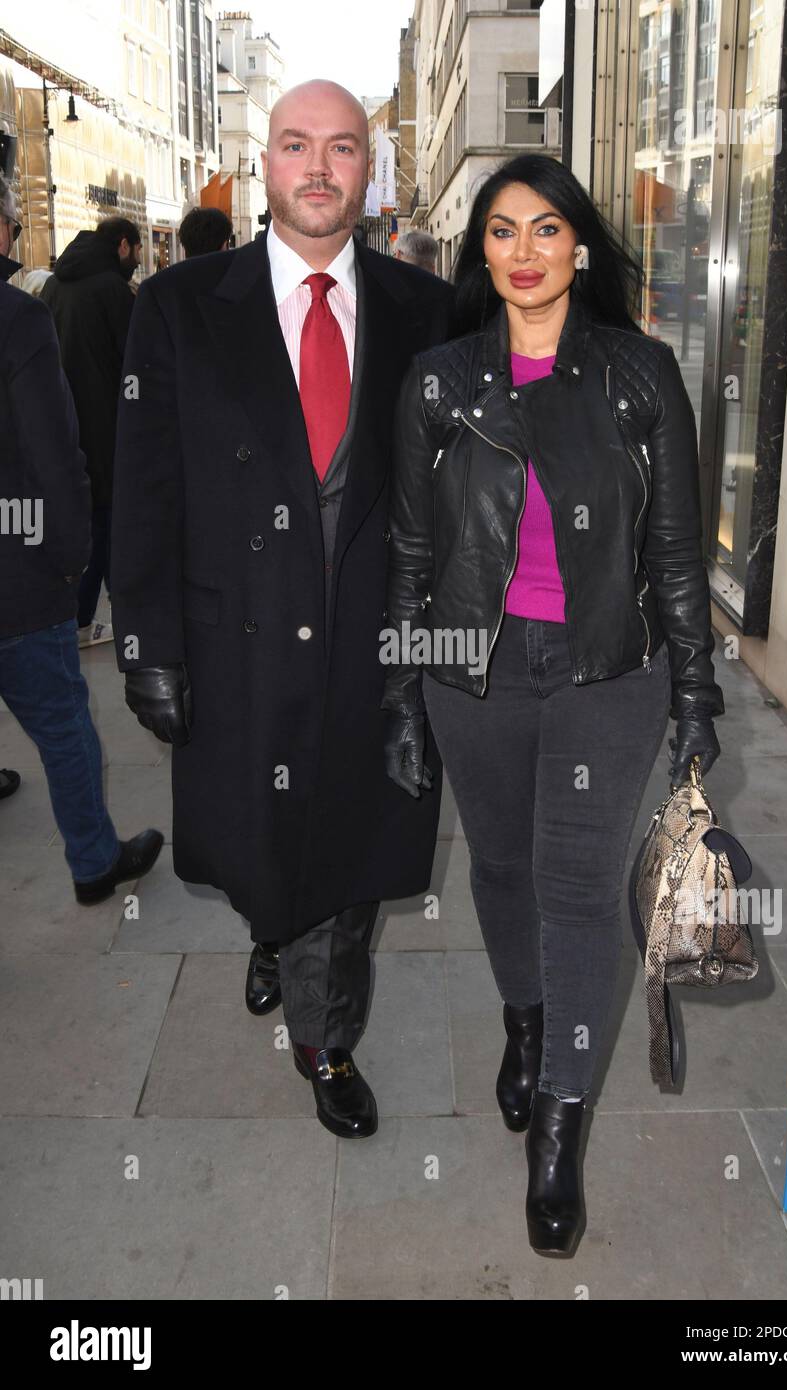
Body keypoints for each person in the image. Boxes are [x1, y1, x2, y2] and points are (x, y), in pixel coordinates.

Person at [383, 153, 725, 1255]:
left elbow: (673, 549)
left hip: (602, 672)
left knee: (575, 890)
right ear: (477, 250)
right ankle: (523, 1024)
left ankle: (559, 1131)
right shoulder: (437, 382)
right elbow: (411, 550)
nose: (522, 252)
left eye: (544, 229)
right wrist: (400, 694)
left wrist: (692, 688)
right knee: (499, 869)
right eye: (500, 231)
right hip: (468, 671)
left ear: (578, 244)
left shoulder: (638, 375)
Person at [111, 80, 454, 1139]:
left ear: (368, 169)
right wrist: (146, 646)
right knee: (266, 841)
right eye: (295, 146)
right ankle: (274, 927)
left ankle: (326, 1039)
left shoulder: (425, 311)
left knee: (347, 858)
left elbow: (451, 498)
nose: (317, 167)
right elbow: (145, 487)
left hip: (369, 649)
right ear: (262, 163)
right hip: (236, 644)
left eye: (341, 148)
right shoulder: (177, 308)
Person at [0, 176, 163, 902]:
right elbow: (51, 450)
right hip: (16, 572)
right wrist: (70, 559)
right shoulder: (13, 318)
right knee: (64, 724)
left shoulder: (45, 300)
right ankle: (95, 862)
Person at [41, 217, 142, 648]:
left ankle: (82, 612)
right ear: (124, 245)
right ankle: (87, 615)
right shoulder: (112, 290)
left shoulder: (54, 287)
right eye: (136, 251)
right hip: (108, 428)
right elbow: (136, 362)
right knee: (109, 525)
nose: (137, 261)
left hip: (63, 424)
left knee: (89, 522)